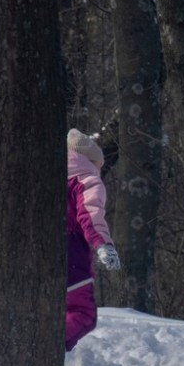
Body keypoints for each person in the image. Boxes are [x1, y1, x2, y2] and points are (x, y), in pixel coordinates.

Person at [66, 128, 122, 352]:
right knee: (83, 314)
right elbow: (90, 214)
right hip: (72, 258)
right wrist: (103, 244)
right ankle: (43, 349)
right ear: (92, 161)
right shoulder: (86, 179)